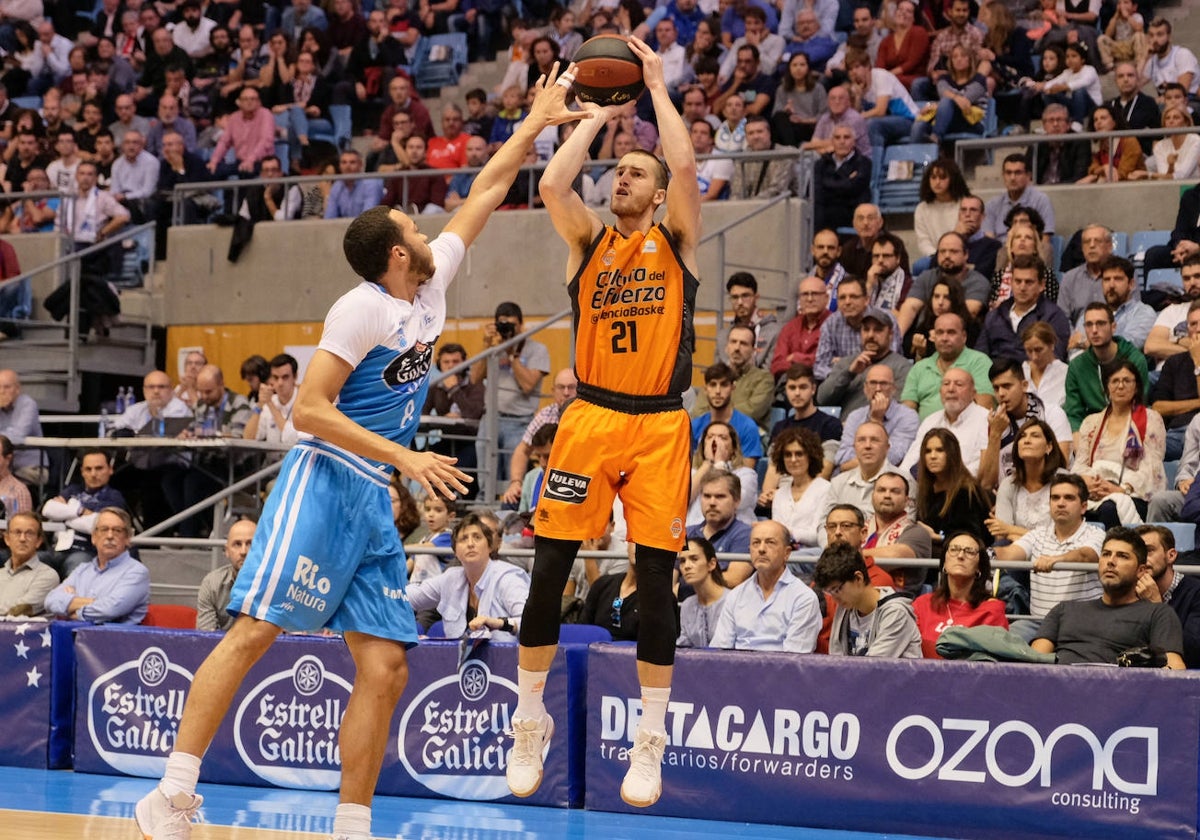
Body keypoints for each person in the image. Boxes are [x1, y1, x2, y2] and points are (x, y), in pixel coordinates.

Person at [132, 62, 586, 840]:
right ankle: (169, 794)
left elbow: (483, 189)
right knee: (251, 632)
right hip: (324, 482)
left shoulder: (430, 286)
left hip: (372, 498)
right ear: (396, 255)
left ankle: (352, 825)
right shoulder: (360, 309)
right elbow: (309, 409)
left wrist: (539, 122)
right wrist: (406, 458)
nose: (424, 224)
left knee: (386, 666)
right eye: (411, 226)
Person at [507, 39, 698, 810]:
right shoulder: (588, 244)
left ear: (656, 197)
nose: (623, 175)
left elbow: (685, 169)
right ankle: (529, 719)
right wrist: (593, 117)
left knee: (654, 581)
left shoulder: (674, 244)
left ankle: (650, 739)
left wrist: (654, 88)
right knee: (550, 569)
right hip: (587, 418)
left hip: (658, 426)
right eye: (619, 169)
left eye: (636, 172)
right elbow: (554, 180)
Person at [1032, 527, 1185, 668]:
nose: (1111, 561)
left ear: (1141, 571)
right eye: (1105, 554)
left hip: (1120, 691)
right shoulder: (1064, 610)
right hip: (1060, 688)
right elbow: (1034, 665)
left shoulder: (1158, 614)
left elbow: (1174, 670)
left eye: (1123, 556)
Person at [993, 473, 1104, 637]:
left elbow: (1086, 555)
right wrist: (981, 551)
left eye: (1069, 498)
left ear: (1083, 506)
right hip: (1038, 623)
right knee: (1002, 639)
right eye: (1055, 498)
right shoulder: (1038, 534)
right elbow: (1009, 555)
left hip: (1081, 623)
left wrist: (1056, 560)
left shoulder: (1096, 534)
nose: (1060, 503)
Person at [408, 513, 531, 640]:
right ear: (455, 551)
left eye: (477, 537)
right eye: (463, 539)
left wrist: (501, 623)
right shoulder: (450, 578)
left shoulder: (508, 578)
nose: (470, 544)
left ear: (490, 546)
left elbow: (533, 623)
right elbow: (406, 597)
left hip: (510, 657)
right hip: (464, 659)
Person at [1075, 358, 1166, 528]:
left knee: (1110, 509)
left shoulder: (1150, 418)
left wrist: (1123, 489)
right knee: (1069, 507)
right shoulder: (1091, 422)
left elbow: (1153, 467)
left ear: (1136, 386)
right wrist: (1089, 483)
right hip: (1095, 491)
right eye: (1115, 381)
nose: (1121, 386)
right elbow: (1080, 464)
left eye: (1127, 380)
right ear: (1106, 387)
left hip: (1134, 493)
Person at [469, 300, 551, 487]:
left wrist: (512, 354)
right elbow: (474, 378)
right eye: (502, 324)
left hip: (519, 421)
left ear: (521, 326)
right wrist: (487, 346)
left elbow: (528, 385)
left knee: (512, 481)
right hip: (490, 419)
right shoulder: (494, 348)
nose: (507, 330)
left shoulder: (537, 349)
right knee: (486, 480)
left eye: (511, 325)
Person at [709, 518, 822, 652]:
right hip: (737, 670)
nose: (761, 549)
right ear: (749, 550)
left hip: (782, 671)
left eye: (770, 542)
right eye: (756, 543)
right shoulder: (735, 595)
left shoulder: (804, 598)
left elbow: (794, 659)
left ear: (787, 553)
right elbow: (720, 650)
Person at [814, 541, 922, 658]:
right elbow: (836, 659)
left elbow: (872, 668)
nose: (835, 598)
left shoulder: (896, 613)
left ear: (858, 578)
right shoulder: (845, 609)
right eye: (829, 592)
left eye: (837, 589)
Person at [43, 507, 149, 624]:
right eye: (104, 529)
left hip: (115, 639)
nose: (109, 536)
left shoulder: (137, 572)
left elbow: (110, 609)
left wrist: (74, 610)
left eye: (117, 530)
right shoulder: (82, 570)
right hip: (76, 638)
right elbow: (50, 601)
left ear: (128, 539)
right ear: (94, 537)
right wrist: (97, 602)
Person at [979, 359, 1072, 491]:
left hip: (1048, 490)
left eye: (1007, 386)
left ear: (1024, 385)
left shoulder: (1052, 414)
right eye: (996, 388)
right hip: (1005, 494)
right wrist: (995, 434)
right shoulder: (991, 422)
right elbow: (986, 484)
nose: (1001, 394)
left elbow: (1061, 467)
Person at [913, 530, 1008, 658]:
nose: (960, 556)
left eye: (969, 551)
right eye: (954, 549)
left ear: (979, 567)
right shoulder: (922, 605)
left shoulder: (991, 610)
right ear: (944, 563)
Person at [41, 449, 129, 577]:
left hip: (86, 551)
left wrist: (64, 515)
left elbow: (94, 525)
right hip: (56, 549)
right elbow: (48, 509)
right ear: (82, 471)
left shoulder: (114, 497)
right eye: (88, 469)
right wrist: (80, 511)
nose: (93, 474)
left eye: (99, 468)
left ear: (110, 469)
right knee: (30, 562)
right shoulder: (72, 490)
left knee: (77, 568)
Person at [1064, 302, 1150, 430]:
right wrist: (1077, 434)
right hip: (1090, 430)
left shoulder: (1135, 360)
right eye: (1089, 325)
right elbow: (1074, 414)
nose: (1094, 330)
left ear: (1113, 327)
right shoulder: (1077, 366)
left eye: (1101, 323)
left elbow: (1140, 404)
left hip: (1127, 426)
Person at [900, 313, 995, 420]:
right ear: (934, 337)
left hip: (966, 432)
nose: (944, 338)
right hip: (925, 433)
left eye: (951, 332)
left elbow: (985, 407)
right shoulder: (919, 368)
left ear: (964, 337)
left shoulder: (979, 362)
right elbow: (907, 412)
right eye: (940, 333)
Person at [976, 255, 1070, 364]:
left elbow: (1054, 360)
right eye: (1018, 281)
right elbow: (980, 357)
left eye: (1029, 282)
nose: (1022, 288)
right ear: (1011, 282)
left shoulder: (1053, 316)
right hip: (995, 376)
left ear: (1042, 285)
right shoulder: (995, 315)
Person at [988, 418, 1068, 544]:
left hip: (1056, 552)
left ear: (1049, 447)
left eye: (1035, 436)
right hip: (1017, 551)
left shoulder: (1064, 480)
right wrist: (1011, 533)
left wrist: (1011, 530)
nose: (1027, 440)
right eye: (1022, 436)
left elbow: (1061, 536)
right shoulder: (1009, 484)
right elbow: (1001, 534)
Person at [817, 313, 912, 418]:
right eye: (866, 330)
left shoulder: (902, 367)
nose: (870, 335)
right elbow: (822, 399)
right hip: (846, 427)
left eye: (878, 330)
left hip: (884, 428)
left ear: (890, 334)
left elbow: (898, 408)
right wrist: (849, 373)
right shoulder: (846, 363)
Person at [898, 232, 990, 336]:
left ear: (966, 255)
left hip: (958, 338)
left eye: (953, 251)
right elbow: (910, 307)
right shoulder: (926, 277)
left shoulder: (978, 281)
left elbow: (968, 313)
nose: (947, 256)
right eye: (942, 251)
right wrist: (897, 339)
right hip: (923, 334)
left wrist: (939, 333)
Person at [914, 427, 992, 548]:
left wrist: (938, 537)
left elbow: (972, 536)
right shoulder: (925, 490)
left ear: (952, 453)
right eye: (928, 451)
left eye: (939, 450)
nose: (932, 456)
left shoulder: (967, 491)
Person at [1134, 524, 1200, 668]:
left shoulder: (1196, 593)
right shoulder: (1129, 592)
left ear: (1171, 555)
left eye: (1149, 551)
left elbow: (1193, 650)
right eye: (1136, 553)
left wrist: (1157, 607)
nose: (1141, 559)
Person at [830, 364, 919, 470]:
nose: (878, 389)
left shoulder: (908, 416)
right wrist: (871, 460)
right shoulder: (855, 416)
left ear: (893, 389)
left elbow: (895, 457)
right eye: (873, 383)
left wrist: (876, 421)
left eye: (883, 383)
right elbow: (843, 458)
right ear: (865, 388)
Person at [690, 362, 764, 467]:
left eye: (724, 385)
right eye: (713, 384)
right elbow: (690, 467)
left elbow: (747, 472)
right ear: (706, 389)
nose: (718, 391)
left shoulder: (748, 427)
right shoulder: (695, 426)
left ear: (732, 387)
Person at [687, 420, 758, 527]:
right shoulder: (692, 472)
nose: (715, 441)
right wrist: (707, 464)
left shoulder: (746, 474)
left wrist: (720, 462)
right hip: (695, 533)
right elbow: (682, 500)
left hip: (733, 534)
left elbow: (738, 500)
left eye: (722, 438)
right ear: (702, 446)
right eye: (710, 437)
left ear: (734, 448)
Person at [769, 427, 830, 548]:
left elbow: (818, 535)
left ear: (810, 457)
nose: (793, 460)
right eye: (787, 455)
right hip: (782, 553)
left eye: (799, 454)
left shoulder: (825, 489)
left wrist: (788, 533)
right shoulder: (780, 493)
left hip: (812, 554)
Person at [686, 471, 753, 581]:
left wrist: (683, 588)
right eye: (707, 496)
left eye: (720, 496)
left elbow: (734, 579)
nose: (712, 502)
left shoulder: (746, 534)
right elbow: (670, 577)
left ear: (736, 501)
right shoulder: (687, 533)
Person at [195, 518, 256, 631]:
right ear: (227, 551)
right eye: (237, 544)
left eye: (250, 544)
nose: (243, 552)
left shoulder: (278, 585)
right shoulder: (212, 584)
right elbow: (206, 638)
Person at [982, 154, 1055, 241]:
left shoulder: (1041, 200)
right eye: (1008, 173)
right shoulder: (992, 205)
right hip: (1000, 251)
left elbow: (1045, 239)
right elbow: (989, 240)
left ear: (1028, 176)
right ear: (1003, 176)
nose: (1012, 178)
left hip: (1030, 251)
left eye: (1018, 173)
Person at [812, 124, 870, 231]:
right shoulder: (821, 164)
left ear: (854, 141)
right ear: (832, 141)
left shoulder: (864, 163)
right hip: (825, 213)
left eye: (846, 137)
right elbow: (816, 192)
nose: (842, 141)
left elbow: (854, 188)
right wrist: (846, 180)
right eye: (837, 137)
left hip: (850, 212)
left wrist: (827, 183)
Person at [718, 272, 780, 372]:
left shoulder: (774, 332)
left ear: (756, 297)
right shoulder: (723, 335)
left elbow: (768, 373)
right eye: (735, 297)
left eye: (745, 296)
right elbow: (718, 373)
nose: (740, 302)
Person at [675, 536, 727, 648]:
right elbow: (684, 646)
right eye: (682, 561)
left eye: (694, 559)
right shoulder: (687, 605)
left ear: (711, 564)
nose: (687, 566)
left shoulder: (732, 601)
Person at [0, 512, 56, 616]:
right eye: (17, 532)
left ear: (38, 541)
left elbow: (19, 610)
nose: (22, 539)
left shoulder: (47, 576)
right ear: (7, 539)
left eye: (29, 533)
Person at [771, 275, 830, 375]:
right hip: (790, 384)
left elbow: (830, 361)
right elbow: (776, 365)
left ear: (826, 298)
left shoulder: (834, 325)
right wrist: (809, 362)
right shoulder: (789, 328)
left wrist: (795, 358)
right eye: (805, 294)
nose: (810, 299)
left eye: (815, 294)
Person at [913, 159, 969, 261]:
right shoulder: (922, 209)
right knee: (919, 265)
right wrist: (938, 257)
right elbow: (923, 242)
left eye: (943, 177)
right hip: (933, 258)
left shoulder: (965, 205)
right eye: (933, 177)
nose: (937, 182)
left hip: (961, 256)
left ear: (952, 179)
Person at [242, 352, 299, 445]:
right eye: (276, 377)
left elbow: (293, 439)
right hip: (273, 459)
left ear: (295, 377)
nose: (280, 383)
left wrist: (271, 405)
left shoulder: (304, 402)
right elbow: (248, 439)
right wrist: (260, 405)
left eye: (285, 377)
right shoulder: (268, 403)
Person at [771, 51, 826, 147]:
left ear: (808, 67)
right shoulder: (782, 89)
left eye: (802, 65)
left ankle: (791, 150)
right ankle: (791, 148)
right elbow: (776, 113)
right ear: (789, 68)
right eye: (794, 65)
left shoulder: (818, 88)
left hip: (810, 126)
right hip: (789, 126)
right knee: (779, 118)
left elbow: (824, 115)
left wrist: (803, 120)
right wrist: (786, 110)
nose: (798, 68)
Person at [1078, 104, 1144, 183]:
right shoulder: (1097, 144)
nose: (1098, 122)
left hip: (1133, 186)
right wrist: (1104, 168)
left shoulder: (1129, 141)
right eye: (1095, 120)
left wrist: (1096, 175)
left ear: (1114, 122)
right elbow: (1092, 168)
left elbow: (1122, 174)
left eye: (1103, 118)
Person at [874, 0, 929, 91]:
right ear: (895, 13)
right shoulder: (886, 41)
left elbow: (911, 63)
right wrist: (883, 77)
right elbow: (880, 66)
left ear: (914, 18)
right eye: (900, 9)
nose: (903, 12)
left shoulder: (919, 32)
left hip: (914, 79)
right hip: (891, 79)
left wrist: (889, 75)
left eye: (908, 11)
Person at [1135, 105, 1200, 180]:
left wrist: (1148, 174)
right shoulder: (1160, 146)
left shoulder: (1195, 141)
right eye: (1167, 118)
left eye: (1176, 117)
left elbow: (1182, 175)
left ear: (1186, 122)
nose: (1171, 121)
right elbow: (1165, 178)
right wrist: (1171, 166)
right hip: (1168, 187)